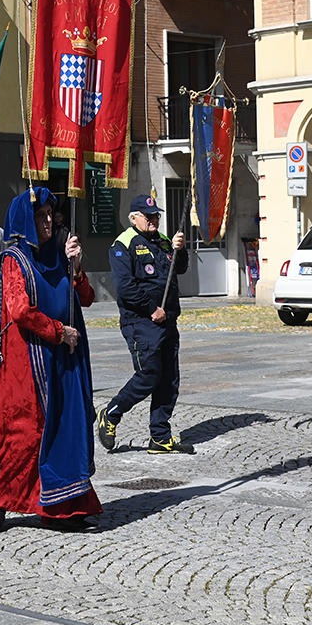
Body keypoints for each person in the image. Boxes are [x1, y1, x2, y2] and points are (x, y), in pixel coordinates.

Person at [0, 187, 101, 532]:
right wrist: (60, 331)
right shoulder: (14, 259)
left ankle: (63, 506)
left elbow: (85, 298)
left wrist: (76, 266)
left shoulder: (59, 255)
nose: (49, 221)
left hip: (62, 357)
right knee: (21, 433)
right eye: (41, 216)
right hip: (25, 362)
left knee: (63, 428)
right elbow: (19, 311)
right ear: (26, 221)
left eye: (50, 215)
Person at [96, 194, 193, 454]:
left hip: (168, 319)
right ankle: (111, 413)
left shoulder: (163, 242)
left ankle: (160, 437)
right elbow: (125, 288)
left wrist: (180, 250)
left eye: (156, 216)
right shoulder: (122, 244)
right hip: (141, 320)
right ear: (133, 218)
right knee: (149, 375)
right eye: (148, 216)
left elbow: (178, 270)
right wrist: (152, 310)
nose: (153, 220)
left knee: (169, 379)